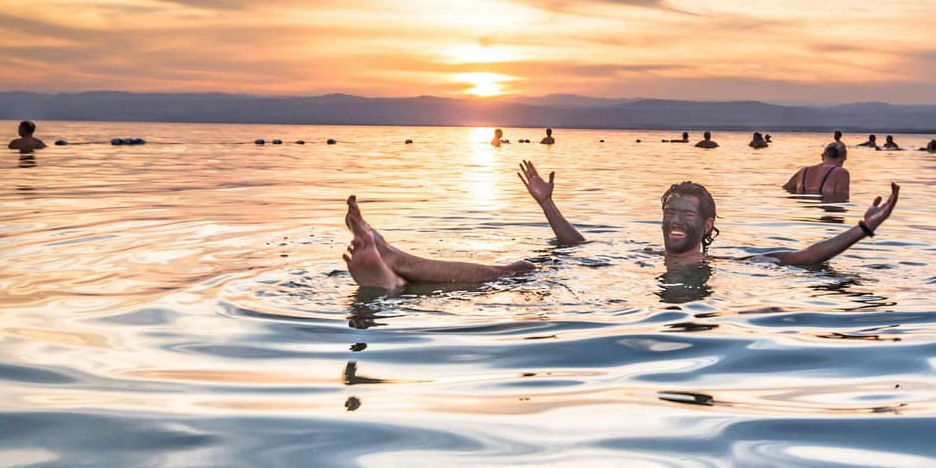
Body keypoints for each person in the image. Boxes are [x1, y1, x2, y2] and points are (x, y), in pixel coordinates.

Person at [341, 160, 898, 291]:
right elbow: (577, 245)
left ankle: (396, 267)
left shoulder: (725, 265)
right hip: (608, 283)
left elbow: (801, 259)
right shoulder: (643, 257)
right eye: (669, 213)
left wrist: (862, 229)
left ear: (707, 225)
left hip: (613, 299)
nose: (674, 222)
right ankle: (391, 276)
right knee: (521, 269)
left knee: (515, 277)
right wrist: (547, 205)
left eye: (686, 216)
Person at [784, 141, 851, 200]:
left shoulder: (804, 171)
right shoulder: (841, 173)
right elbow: (842, 198)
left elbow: (786, 189)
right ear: (843, 158)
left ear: (822, 156)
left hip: (804, 207)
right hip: (827, 207)